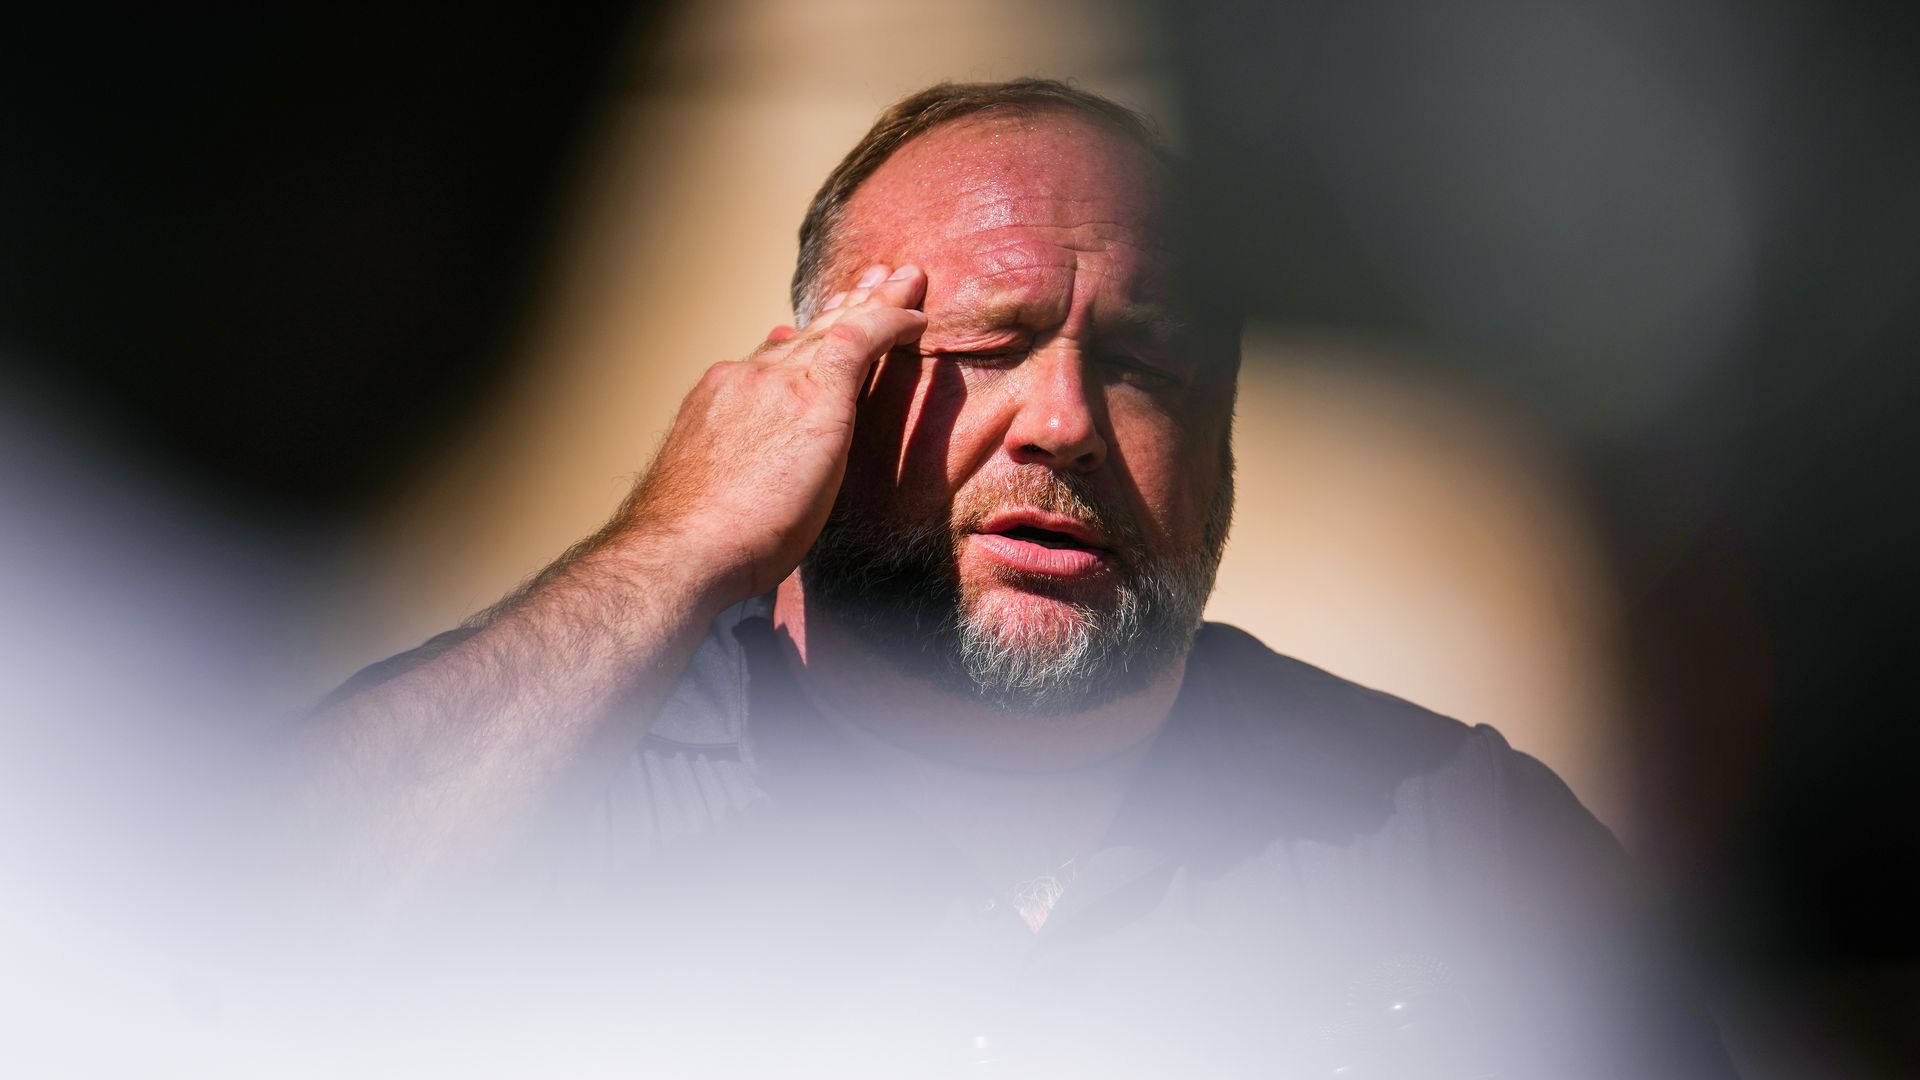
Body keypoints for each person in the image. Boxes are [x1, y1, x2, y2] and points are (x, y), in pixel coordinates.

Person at [295, 80, 1733, 1078]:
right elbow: (241, 933)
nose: (1061, 418)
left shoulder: (1444, 840)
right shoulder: (574, 776)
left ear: (1223, 443)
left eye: (1143, 363)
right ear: (810, 387)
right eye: (983, 340)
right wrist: (677, 541)